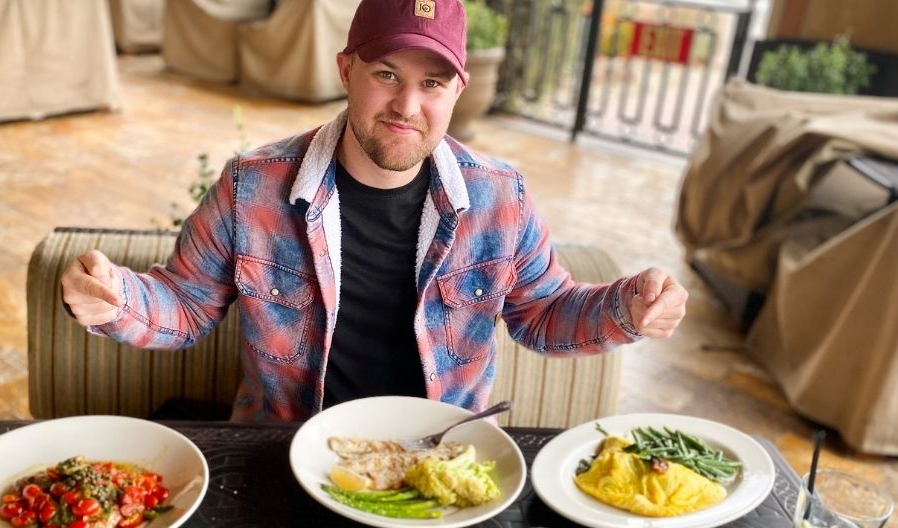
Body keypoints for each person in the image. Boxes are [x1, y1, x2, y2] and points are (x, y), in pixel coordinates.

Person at [61, 0, 687, 422]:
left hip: (439, 468)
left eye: (432, 84)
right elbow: (187, 305)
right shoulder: (252, 186)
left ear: (457, 91)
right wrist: (118, 300)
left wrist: (626, 308)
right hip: (286, 455)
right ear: (347, 70)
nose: (407, 105)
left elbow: (543, 315)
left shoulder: (501, 197)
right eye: (386, 73)